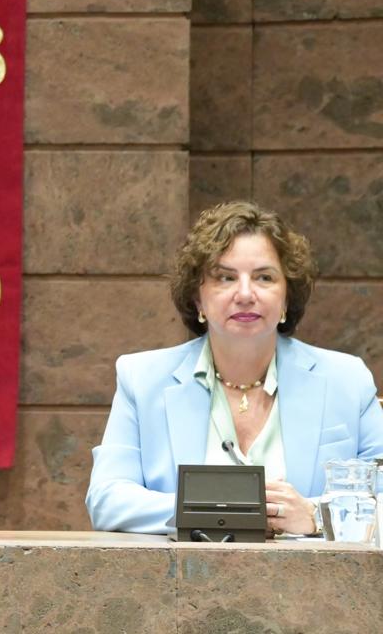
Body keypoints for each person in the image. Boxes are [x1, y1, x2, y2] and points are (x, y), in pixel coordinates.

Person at [86, 201, 383, 535]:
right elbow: (106, 500)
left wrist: (317, 515)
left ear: (286, 299)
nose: (245, 294)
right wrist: (226, 509)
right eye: (225, 278)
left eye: (264, 277)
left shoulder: (346, 380)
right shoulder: (142, 379)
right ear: (198, 300)